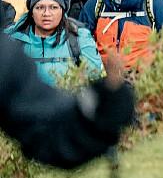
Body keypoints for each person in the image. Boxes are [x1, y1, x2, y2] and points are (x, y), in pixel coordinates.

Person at [0, 32, 134, 170]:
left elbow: (48, 127)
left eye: (53, 8)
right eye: (40, 8)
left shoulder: (6, 55)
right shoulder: (11, 45)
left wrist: (99, 106)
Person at [6, 0, 103, 86]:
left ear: (62, 11)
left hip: (67, 100)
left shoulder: (79, 39)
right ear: (31, 12)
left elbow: (96, 82)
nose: (46, 13)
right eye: (39, 7)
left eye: (53, 7)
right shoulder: (12, 41)